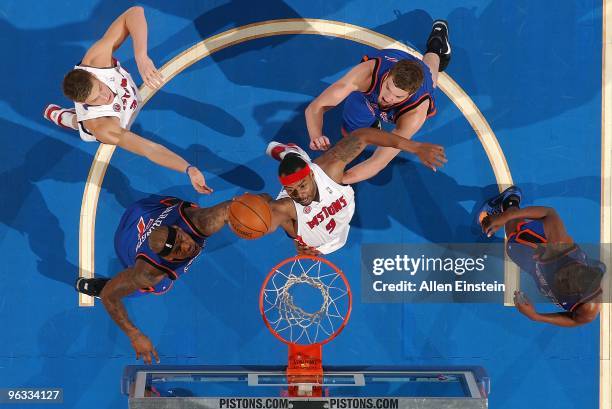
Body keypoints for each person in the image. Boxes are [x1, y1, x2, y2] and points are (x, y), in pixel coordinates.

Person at [43, 7, 211, 194]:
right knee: (81, 124)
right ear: (85, 103)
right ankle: (66, 117)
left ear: (95, 76)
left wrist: (141, 56)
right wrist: (189, 169)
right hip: (109, 121)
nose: (104, 97)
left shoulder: (96, 60)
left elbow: (134, 12)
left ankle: (67, 116)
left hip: (127, 99)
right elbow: (150, 150)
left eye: (100, 89)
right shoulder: (101, 126)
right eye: (95, 100)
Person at [76, 195, 231, 364]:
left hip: (144, 209)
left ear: (178, 229)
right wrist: (134, 335)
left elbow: (236, 206)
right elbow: (109, 296)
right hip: (126, 242)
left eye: (182, 239)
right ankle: (97, 286)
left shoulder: (200, 221)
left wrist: (260, 212)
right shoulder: (150, 272)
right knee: (147, 287)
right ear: (168, 259)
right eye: (178, 250)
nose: (187, 246)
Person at [304, 20, 451, 184]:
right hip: (371, 93)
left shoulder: (415, 111)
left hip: (419, 82)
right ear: (387, 75)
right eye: (388, 88)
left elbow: (378, 162)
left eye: (398, 97)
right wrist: (315, 135)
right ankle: (372, 127)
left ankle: (436, 48)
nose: (389, 97)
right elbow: (316, 107)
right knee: (350, 134)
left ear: (410, 94)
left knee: (429, 74)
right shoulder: (367, 74)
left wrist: (339, 181)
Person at [264, 128, 446, 255]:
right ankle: (293, 156)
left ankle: (291, 153)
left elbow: (363, 135)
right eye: (291, 190)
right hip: (326, 232)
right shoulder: (284, 207)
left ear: (311, 175)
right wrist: (300, 243)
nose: (299, 195)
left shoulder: (330, 168)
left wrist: (416, 147)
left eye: (302, 186)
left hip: (333, 199)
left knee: (307, 163)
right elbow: (271, 215)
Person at [479, 186, 605, 327]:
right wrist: (505, 217)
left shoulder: (589, 308)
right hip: (545, 249)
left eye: (564, 282)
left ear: (577, 295)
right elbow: (548, 214)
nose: (561, 278)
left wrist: (536, 316)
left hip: (538, 268)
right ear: (573, 265)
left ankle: (599, 268)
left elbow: (575, 319)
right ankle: (511, 200)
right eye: (566, 273)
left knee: (516, 253)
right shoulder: (559, 247)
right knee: (514, 241)